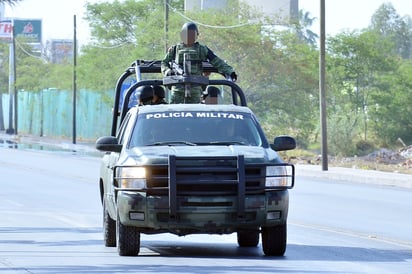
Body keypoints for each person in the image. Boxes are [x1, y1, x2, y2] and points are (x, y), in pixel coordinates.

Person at [161, 22, 237, 104]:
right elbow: (164, 63)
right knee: (174, 112)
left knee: (196, 112)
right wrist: (168, 72)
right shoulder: (175, 49)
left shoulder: (202, 49)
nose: (188, 36)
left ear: (196, 35)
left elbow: (217, 61)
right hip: (177, 87)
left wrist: (230, 71)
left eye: (191, 34)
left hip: (195, 87)